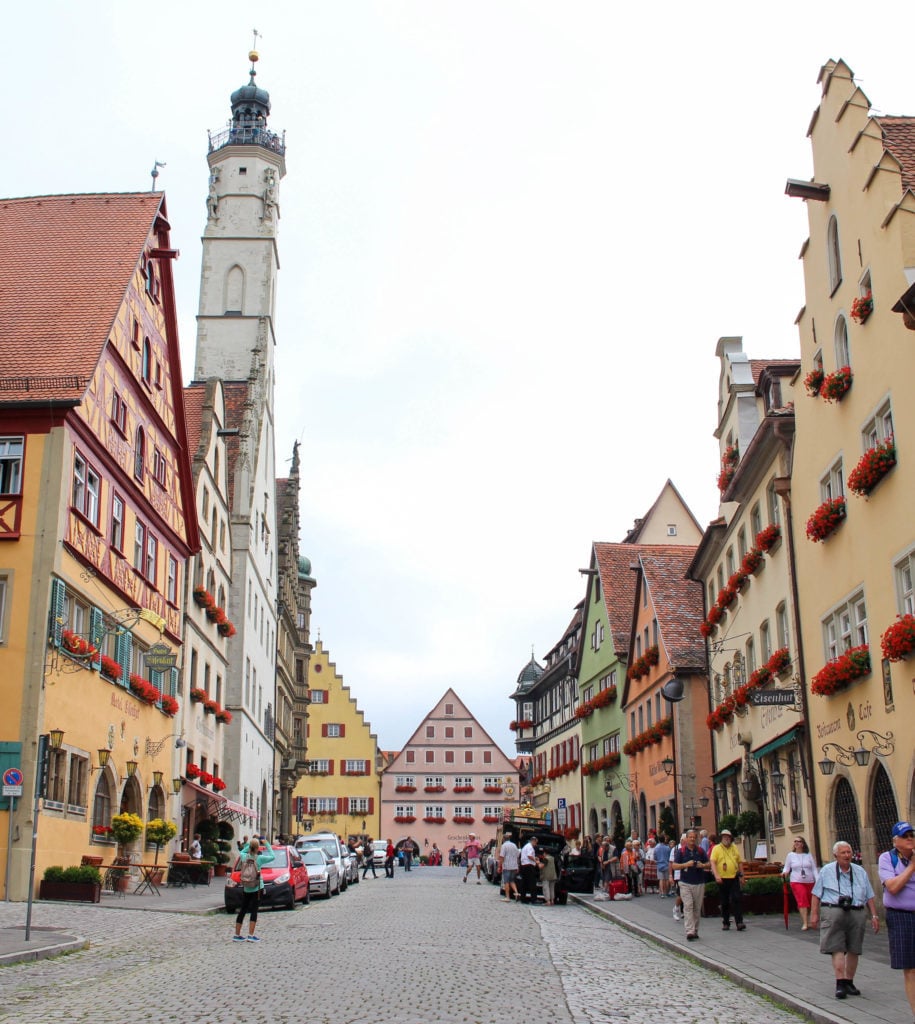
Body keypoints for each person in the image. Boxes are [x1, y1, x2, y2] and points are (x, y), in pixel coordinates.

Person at [810, 840, 880, 999]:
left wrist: (874, 915)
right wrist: (814, 915)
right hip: (833, 911)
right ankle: (840, 982)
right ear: (836, 855)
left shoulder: (860, 871)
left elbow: (869, 895)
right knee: (837, 947)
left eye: (849, 852)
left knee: (855, 948)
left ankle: (849, 981)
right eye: (843, 853)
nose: (847, 855)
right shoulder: (827, 871)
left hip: (856, 911)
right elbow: (816, 894)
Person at [878, 821, 915, 1019]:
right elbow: (892, 887)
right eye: (905, 835)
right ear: (895, 840)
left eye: (912, 834)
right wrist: (912, 868)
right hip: (901, 916)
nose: (910, 838)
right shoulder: (888, 858)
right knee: (910, 968)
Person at [233, 837, 275, 942]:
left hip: (246, 886)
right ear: (257, 848)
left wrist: (248, 846)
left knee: (243, 910)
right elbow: (273, 856)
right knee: (254, 910)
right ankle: (251, 935)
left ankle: (237, 935)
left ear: (250, 847)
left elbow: (241, 851)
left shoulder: (244, 857)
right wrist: (266, 844)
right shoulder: (259, 858)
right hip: (257, 887)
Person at [672, 829, 711, 941]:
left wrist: (702, 865)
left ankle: (695, 930)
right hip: (685, 882)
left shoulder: (700, 851)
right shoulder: (681, 851)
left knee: (697, 908)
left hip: (698, 882)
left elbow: (709, 864)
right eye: (690, 837)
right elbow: (674, 866)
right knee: (688, 906)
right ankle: (690, 931)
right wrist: (686, 864)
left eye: (694, 837)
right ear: (686, 839)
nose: (692, 839)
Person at [710, 829, 745, 931]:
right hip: (722, 878)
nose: (726, 838)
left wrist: (742, 876)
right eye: (724, 836)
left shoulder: (734, 847)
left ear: (731, 838)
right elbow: (713, 862)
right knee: (724, 901)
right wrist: (716, 875)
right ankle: (726, 922)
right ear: (721, 838)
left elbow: (739, 862)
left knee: (736, 899)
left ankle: (739, 922)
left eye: (728, 837)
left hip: (733, 877)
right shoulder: (716, 848)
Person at [782, 836, 819, 930]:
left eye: (798, 841)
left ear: (803, 844)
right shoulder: (790, 855)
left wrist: (818, 880)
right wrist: (785, 873)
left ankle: (810, 921)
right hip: (796, 881)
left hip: (810, 881)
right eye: (795, 841)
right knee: (802, 899)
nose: (796, 843)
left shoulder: (808, 855)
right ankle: (805, 922)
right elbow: (787, 867)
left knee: (810, 901)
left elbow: (814, 869)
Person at [498, 833, 521, 902]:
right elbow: (517, 855)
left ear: (504, 839)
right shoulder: (514, 845)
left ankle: (507, 897)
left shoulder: (504, 846)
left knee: (506, 882)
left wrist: (499, 866)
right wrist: (517, 866)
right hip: (514, 866)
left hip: (507, 866)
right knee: (512, 881)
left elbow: (502, 856)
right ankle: (516, 893)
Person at [519, 835, 541, 903]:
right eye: (536, 843)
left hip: (524, 866)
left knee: (524, 883)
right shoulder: (529, 847)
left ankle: (523, 898)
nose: (536, 844)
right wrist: (535, 860)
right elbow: (529, 856)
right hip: (529, 866)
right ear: (533, 841)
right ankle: (533, 899)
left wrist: (534, 858)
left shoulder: (526, 846)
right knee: (532, 883)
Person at [654, 832, 671, 897]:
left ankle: (662, 893)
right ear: (664, 840)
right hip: (666, 864)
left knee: (661, 879)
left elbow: (655, 857)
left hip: (659, 864)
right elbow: (670, 856)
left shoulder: (656, 847)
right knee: (666, 879)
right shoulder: (667, 848)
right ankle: (666, 892)